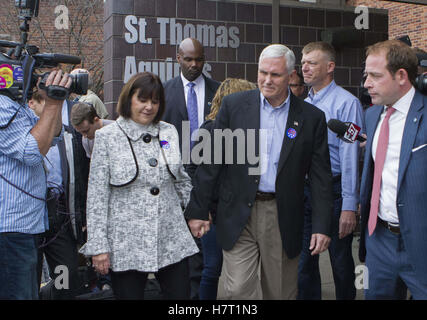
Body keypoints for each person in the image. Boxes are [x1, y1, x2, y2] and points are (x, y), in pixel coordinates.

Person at [185, 44, 334, 300]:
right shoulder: (234, 106)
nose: (267, 80)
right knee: (237, 289)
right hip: (238, 212)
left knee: (279, 290)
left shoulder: (311, 118)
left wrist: (322, 225)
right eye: (262, 72)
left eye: (275, 75)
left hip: (281, 214)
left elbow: (321, 177)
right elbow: (211, 162)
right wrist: (199, 210)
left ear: (291, 76)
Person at [79, 72, 199, 300]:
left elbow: (181, 180)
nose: (149, 107)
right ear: (129, 99)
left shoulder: (168, 132)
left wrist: (196, 212)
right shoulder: (107, 137)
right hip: (126, 242)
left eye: (155, 101)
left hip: (170, 237)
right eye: (142, 100)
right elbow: (96, 196)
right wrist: (98, 246)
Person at [359, 39, 427, 300]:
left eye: (375, 76)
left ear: (401, 76)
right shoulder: (372, 115)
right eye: (367, 75)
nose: (366, 83)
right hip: (379, 240)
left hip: (421, 241)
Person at [298, 41, 364, 300]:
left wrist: (349, 205)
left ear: (330, 67)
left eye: (312, 63)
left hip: (335, 191)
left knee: (339, 262)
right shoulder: (302, 103)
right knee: (304, 262)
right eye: (303, 62)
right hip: (305, 190)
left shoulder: (347, 104)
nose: (305, 68)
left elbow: (350, 157)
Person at [0, 70, 71, 300]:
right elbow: (31, 152)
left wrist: (56, 101)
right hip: (11, 229)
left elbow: (54, 135)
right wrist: (52, 101)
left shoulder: (16, 105)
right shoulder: (2, 105)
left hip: (29, 224)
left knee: (39, 290)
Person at [187, 78, 256, 300]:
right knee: (212, 267)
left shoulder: (249, 131)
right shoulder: (211, 129)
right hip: (215, 213)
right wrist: (202, 208)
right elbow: (194, 170)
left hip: (242, 210)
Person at [162, 37, 220, 299]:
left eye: (199, 59)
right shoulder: (164, 92)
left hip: (210, 180)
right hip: (174, 180)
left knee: (206, 252)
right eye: (188, 59)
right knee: (179, 251)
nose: (195, 64)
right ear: (178, 58)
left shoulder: (218, 91)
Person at [28, 91, 85, 299]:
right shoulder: (19, 130)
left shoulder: (68, 125)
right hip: (28, 216)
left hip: (60, 214)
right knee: (27, 280)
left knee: (66, 277)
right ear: (31, 103)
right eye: (44, 100)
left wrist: (81, 215)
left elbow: (80, 171)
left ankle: (48, 294)